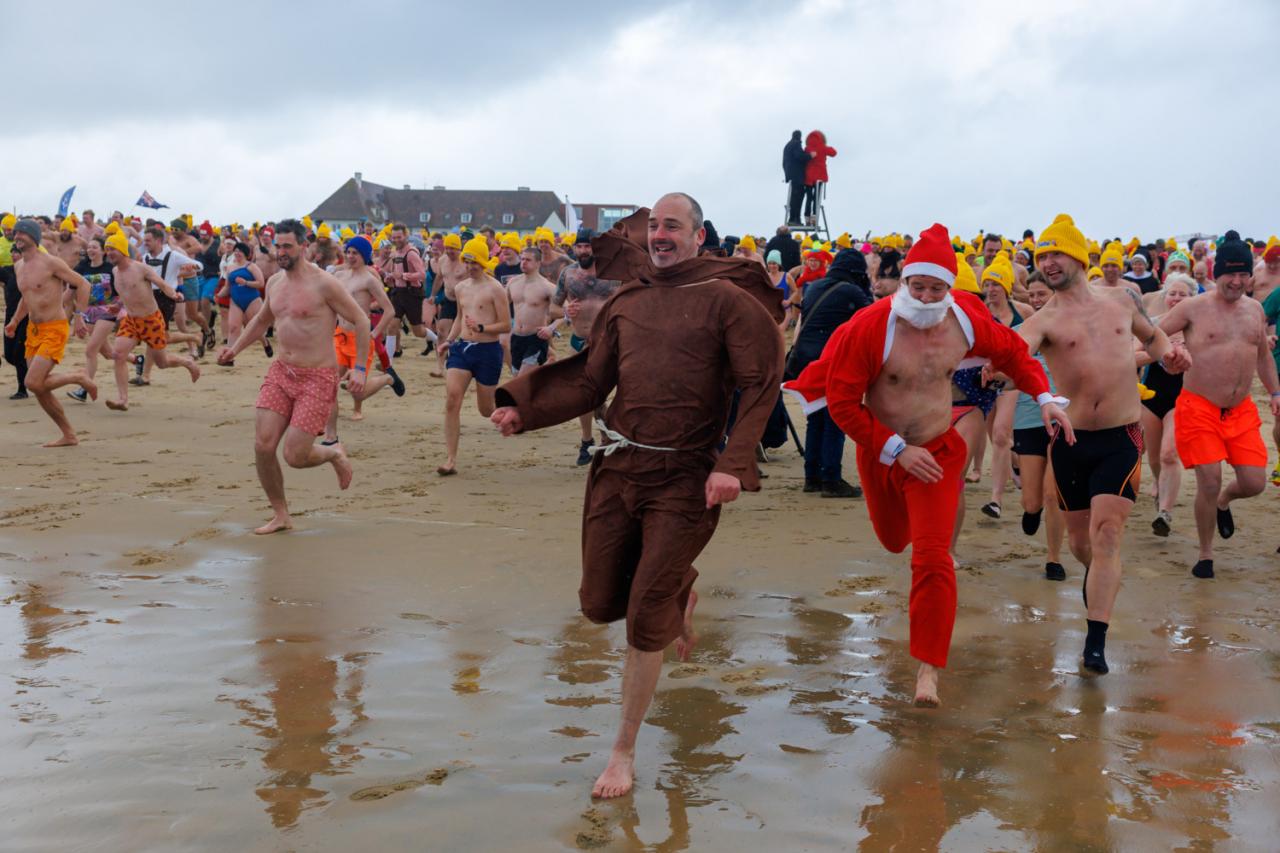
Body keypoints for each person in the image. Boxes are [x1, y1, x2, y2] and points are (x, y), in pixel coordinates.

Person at [491, 195, 784, 798]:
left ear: (699, 236)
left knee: (645, 618)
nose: (659, 235)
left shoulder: (727, 301)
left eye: (673, 226)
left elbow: (761, 381)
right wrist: (525, 409)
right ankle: (678, 587)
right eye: (654, 225)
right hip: (619, 466)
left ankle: (622, 752)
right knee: (601, 603)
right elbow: (591, 378)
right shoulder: (628, 300)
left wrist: (733, 463)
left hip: (686, 477)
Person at [783, 223, 1069, 706]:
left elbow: (1015, 354)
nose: (925, 296)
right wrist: (897, 449)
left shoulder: (966, 321)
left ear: (949, 288)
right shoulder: (871, 326)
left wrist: (1045, 399)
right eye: (917, 286)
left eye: (936, 288)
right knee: (894, 540)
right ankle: (905, 533)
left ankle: (928, 672)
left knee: (933, 558)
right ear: (904, 282)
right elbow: (843, 404)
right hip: (884, 455)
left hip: (937, 454)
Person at [1016, 214, 1189, 675]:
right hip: (1070, 440)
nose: (1048, 263)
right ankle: (1099, 580)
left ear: (1077, 256)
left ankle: (1095, 643)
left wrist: (1170, 357)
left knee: (1108, 533)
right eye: (1042, 257)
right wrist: (998, 369)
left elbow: (1153, 337)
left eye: (1056, 253)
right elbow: (1015, 356)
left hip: (1122, 436)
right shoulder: (1044, 319)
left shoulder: (1121, 300)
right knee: (1080, 542)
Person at [215, 219, 369, 535]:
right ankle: (280, 514)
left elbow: (361, 320)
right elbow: (261, 321)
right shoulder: (274, 282)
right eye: (278, 246)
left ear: (303, 246)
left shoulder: (324, 283)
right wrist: (235, 349)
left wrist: (360, 369)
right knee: (263, 445)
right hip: (281, 372)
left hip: (317, 377)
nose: (281, 252)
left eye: (287, 246)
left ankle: (332, 453)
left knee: (295, 456)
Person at [1157, 232, 1280, 578]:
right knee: (1208, 481)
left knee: (1255, 483)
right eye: (1230, 274)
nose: (1237, 281)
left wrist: (1275, 393)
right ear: (1218, 272)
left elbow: (1263, 357)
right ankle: (1206, 554)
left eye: (1243, 274)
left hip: (1240, 410)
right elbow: (1155, 336)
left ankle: (1224, 502)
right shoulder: (1193, 307)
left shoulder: (1255, 309)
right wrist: (1169, 357)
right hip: (1199, 406)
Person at [786, 248, 873, 498]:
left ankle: (812, 476)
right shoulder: (852, 291)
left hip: (806, 358)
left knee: (815, 417)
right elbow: (871, 320)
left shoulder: (815, 286)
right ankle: (831, 479)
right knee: (835, 418)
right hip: (832, 359)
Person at [2, 219, 96, 445]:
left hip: (54, 327)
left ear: (34, 237)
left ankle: (78, 377)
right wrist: (14, 321)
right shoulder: (19, 266)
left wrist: (79, 316)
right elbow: (27, 297)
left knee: (32, 382)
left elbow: (83, 284)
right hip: (33, 330)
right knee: (40, 388)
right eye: (16, 233)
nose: (18, 236)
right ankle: (69, 435)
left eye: (22, 233)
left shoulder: (51, 263)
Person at [437, 237, 511, 476]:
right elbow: (459, 318)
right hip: (462, 349)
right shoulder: (460, 288)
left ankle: (511, 411)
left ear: (483, 262)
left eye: (474, 262)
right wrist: (449, 340)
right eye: (467, 262)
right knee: (452, 399)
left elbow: (506, 325)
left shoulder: (495, 288)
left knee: (486, 410)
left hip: (488, 351)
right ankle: (450, 459)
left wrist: (482, 328)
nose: (470, 266)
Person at [103, 232, 201, 411]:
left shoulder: (141, 268)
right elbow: (125, 294)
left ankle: (187, 362)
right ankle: (122, 399)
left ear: (122, 250)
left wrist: (175, 294)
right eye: (107, 250)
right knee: (118, 355)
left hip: (151, 320)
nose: (109, 253)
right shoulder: (115, 271)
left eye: (112, 249)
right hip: (131, 320)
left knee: (162, 363)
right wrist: (117, 306)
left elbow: (162, 284)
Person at [1009, 277, 1067, 580]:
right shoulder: (1021, 332)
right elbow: (1007, 372)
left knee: (1053, 494)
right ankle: (1032, 511)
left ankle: (1053, 558)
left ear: (1055, 294)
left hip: (1063, 418)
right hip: (1028, 419)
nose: (1035, 300)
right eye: (1031, 295)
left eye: (1041, 294)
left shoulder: (1069, 330)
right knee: (1032, 501)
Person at [323, 236, 404, 443]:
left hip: (360, 339)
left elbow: (389, 310)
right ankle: (330, 433)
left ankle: (388, 379)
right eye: (349, 252)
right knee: (329, 382)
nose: (351, 256)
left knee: (357, 392)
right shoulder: (339, 275)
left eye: (356, 253)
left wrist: (374, 334)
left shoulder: (369, 279)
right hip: (339, 336)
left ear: (364, 256)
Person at [554, 231, 622, 464]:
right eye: (579, 246)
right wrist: (565, 311)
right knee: (584, 395)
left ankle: (610, 435)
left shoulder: (613, 272)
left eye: (588, 246)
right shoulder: (568, 273)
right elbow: (553, 307)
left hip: (609, 341)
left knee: (608, 393)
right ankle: (587, 441)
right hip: (579, 341)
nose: (583, 251)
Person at [1138, 276, 1194, 536]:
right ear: (1164, 296)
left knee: (1169, 453)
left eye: (1183, 294)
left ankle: (1165, 512)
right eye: (1172, 293)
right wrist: (1162, 352)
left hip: (1183, 396)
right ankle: (1161, 487)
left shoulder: (1198, 328)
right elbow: (1131, 355)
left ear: (1192, 298)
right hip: (1151, 396)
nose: (1177, 299)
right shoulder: (1153, 325)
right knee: (1153, 457)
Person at [67, 236, 120, 403]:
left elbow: (122, 292)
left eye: (95, 247)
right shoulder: (81, 268)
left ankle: (84, 388)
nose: (90, 250)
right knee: (108, 353)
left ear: (103, 251)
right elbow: (70, 292)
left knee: (90, 350)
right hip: (88, 312)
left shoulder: (111, 269)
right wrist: (54, 305)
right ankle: (136, 359)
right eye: (89, 247)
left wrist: (119, 307)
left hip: (108, 311)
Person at [507, 247, 557, 377]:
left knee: (521, 380)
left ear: (538, 263)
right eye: (522, 259)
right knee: (518, 378)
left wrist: (551, 328)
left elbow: (567, 312)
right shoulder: (513, 282)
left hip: (536, 338)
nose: (523, 262)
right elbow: (502, 306)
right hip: (516, 338)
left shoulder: (547, 286)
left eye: (528, 260)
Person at [386, 223, 428, 356]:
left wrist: (404, 276)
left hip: (412, 294)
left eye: (399, 237)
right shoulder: (395, 253)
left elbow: (422, 274)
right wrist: (391, 277)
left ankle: (438, 341)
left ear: (406, 236)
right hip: (398, 293)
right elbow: (397, 272)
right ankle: (388, 363)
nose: (396, 240)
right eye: (394, 238)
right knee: (391, 327)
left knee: (418, 331)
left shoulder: (411, 253)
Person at [429, 233, 466, 378]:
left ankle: (462, 365)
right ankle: (440, 367)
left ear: (459, 249)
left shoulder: (465, 261)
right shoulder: (443, 260)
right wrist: (433, 295)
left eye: (453, 249)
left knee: (464, 334)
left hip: (464, 302)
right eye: (448, 248)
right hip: (449, 300)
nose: (450, 251)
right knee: (441, 333)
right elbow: (439, 278)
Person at [1, 213, 29, 398]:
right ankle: (31, 373)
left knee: (19, 354)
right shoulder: (8, 272)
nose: (13, 255)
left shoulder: (31, 271)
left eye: (16, 252)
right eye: (12, 253)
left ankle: (22, 389)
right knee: (10, 355)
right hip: (10, 315)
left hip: (27, 317)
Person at [802, 130, 836, 226]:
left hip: (808, 176)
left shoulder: (807, 148)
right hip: (820, 176)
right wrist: (826, 147)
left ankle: (807, 218)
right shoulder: (823, 147)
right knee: (817, 198)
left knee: (809, 197)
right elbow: (834, 153)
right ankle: (814, 217)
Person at [782, 130, 810, 226]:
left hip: (791, 175)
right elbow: (799, 156)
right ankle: (795, 219)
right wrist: (809, 156)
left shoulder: (788, 145)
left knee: (794, 197)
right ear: (799, 136)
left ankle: (792, 218)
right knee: (798, 197)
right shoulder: (796, 144)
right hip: (797, 175)